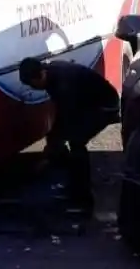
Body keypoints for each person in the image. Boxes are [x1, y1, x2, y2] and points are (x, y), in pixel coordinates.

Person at [19, 57, 120, 214]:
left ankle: (83, 197)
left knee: (76, 141)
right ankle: (74, 181)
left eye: (33, 85)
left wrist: (49, 150)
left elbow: (67, 117)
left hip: (105, 105)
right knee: (62, 138)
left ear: (39, 76)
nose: (35, 89)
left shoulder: (63, 83)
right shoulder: (51, 75)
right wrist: (52, 142)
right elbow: (62, 114)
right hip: (86, 103)